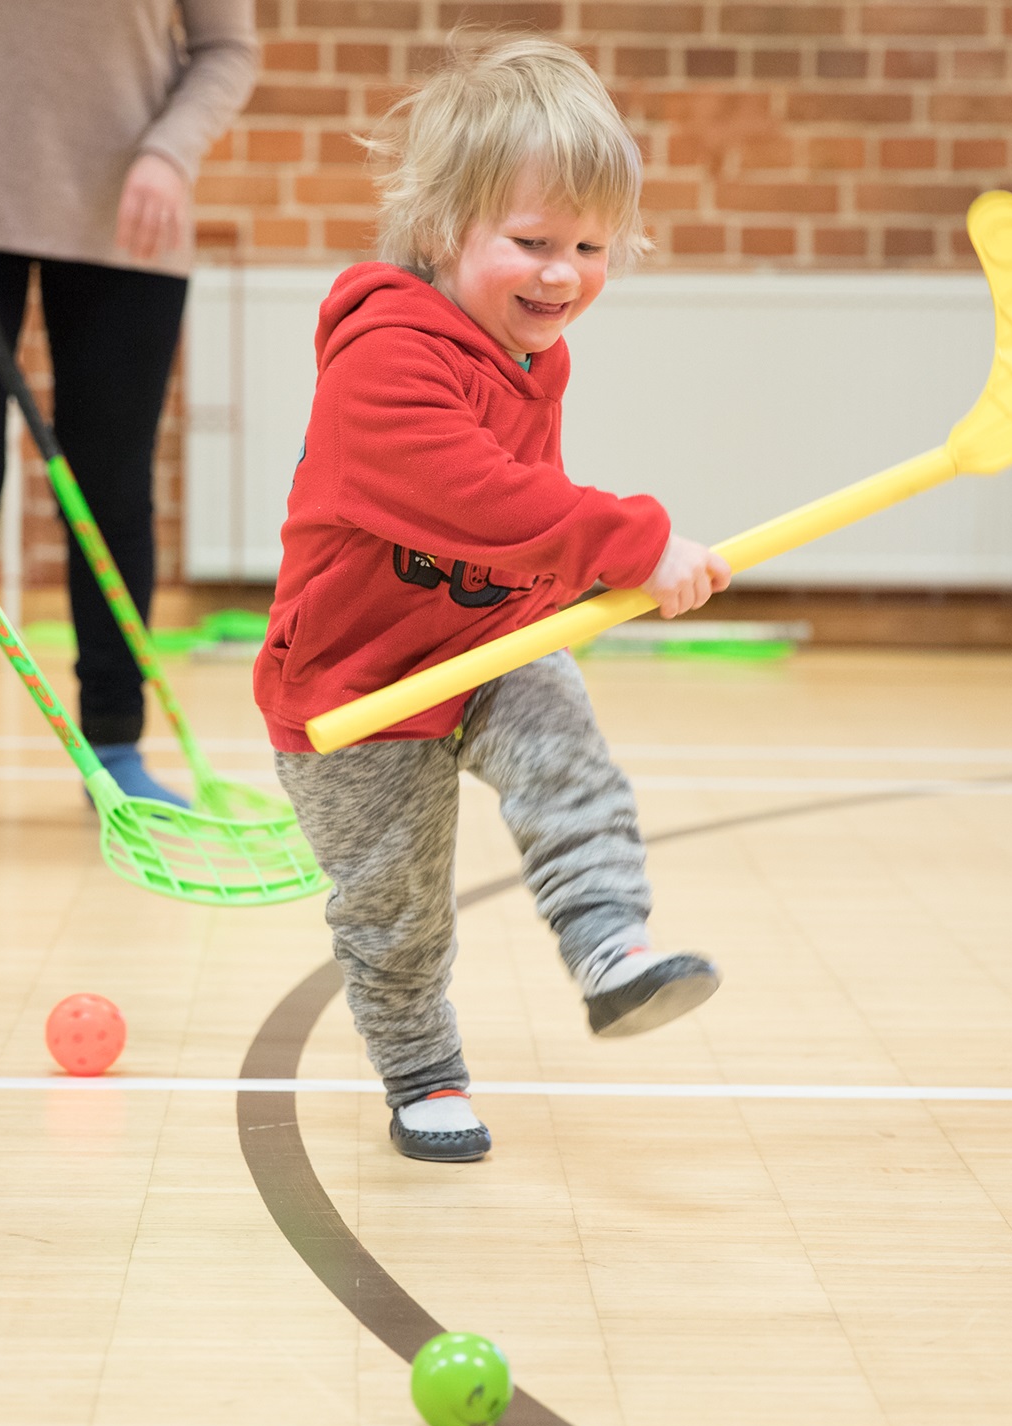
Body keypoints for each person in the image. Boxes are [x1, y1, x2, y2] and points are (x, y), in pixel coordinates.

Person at [253, 36, 733, 1164]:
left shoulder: (531, 354)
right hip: (355, 685)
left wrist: (604, 561)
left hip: (482, 637)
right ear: (439, 232)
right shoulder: (384, 357)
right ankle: (421, 1073)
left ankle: (610, 944)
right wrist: (632, 541)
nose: (560, 274)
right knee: (398, 905)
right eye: (529, 243)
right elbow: (474, 500)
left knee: (567, 758)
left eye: (588, 247)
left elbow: (526, 506)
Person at [0, 0, 260, 832]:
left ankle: (116, 743)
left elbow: (227, 50)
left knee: (110, 485)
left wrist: (169, 154)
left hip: (127, 215)